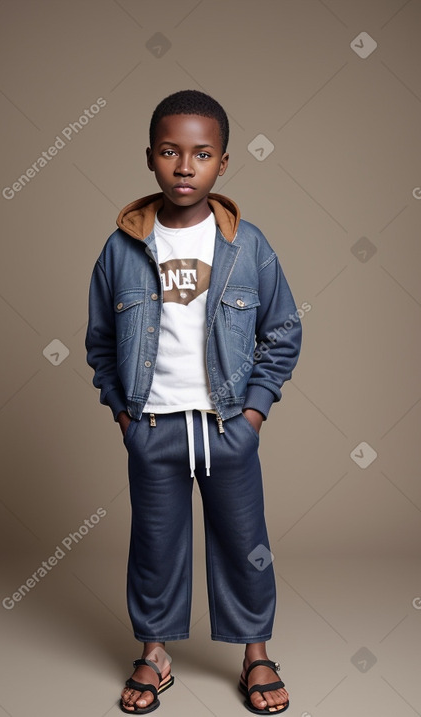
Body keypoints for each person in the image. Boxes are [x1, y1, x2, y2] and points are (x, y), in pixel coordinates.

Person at [86, 89, 301, 715]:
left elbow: (283, 330)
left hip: (227, 426)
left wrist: (254, 412)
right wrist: (124, 417)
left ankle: (256, 652)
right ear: (150, 158)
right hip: (152, 427)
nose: (185, 167)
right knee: (155, 545)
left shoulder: (248, 245)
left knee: (244, 542)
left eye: (202, 154)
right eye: (170, 152)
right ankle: (155, 653)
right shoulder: (121, 248)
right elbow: (100, 341)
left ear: (223, 163)